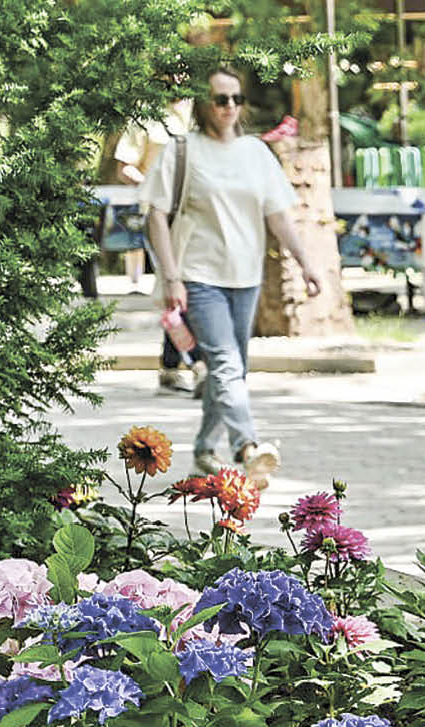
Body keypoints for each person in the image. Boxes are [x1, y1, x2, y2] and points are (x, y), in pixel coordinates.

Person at [143, 68, 323, 489]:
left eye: (235, 99)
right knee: (223, 364)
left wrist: (306, 262)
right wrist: (171, 277)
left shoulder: (255, 153)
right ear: (203, 103)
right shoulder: (183, 150)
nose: (228, 107)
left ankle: (206, 449)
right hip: (198, 275)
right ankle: (248, 448)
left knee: (233, 370)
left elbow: (278, 215)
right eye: (219, 99)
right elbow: (155, 214)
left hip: (245, 276)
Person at [114, 101, 202, 395]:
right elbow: (124, 166)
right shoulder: (144, 114)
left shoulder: (204, 108)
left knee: (190, 284)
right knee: (175, 280)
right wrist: (155, 186)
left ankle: (172, 364)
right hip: (161, 215)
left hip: (199, 213)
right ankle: (196, 363)